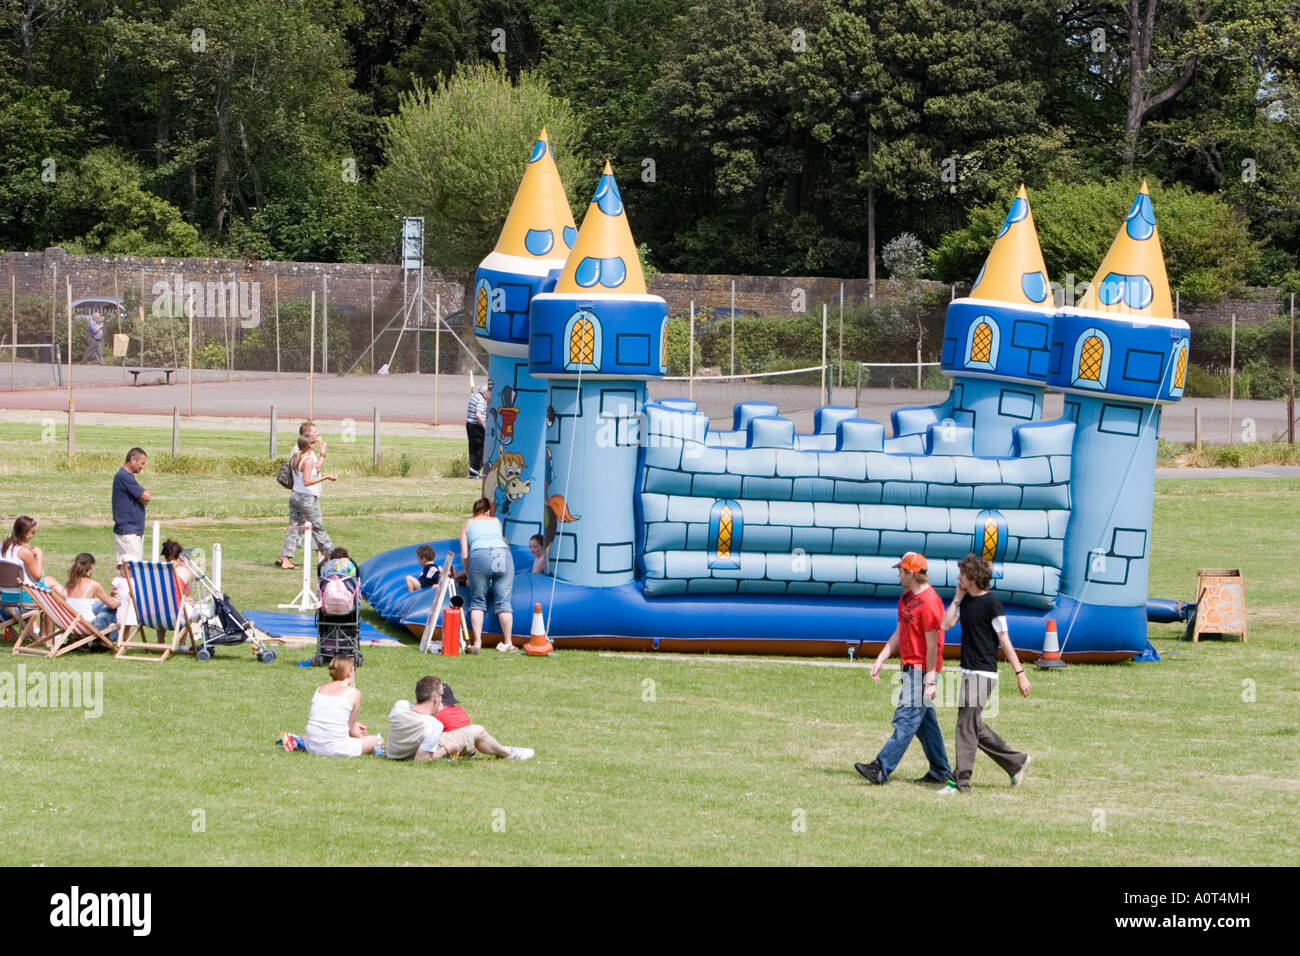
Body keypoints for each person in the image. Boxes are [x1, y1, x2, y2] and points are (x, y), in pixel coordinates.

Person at [855, 552, 953, 786]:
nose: (898, 574)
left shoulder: (930, 603)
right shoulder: (906, 599)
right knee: (924, 725)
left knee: (907, 720)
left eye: (900, 570)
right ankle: (940, 771)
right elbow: (899, 634)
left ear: (910, 573)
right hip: (909, 668)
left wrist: (930, 679)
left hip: (922, 670)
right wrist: (881, 659)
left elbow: (933, 645)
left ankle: (881, 767)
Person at [938, 554, 1032, 793]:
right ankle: (1016, 762)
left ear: (972, 577)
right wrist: (958, 599)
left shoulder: (992, 604)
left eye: (961, 574)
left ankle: (960, 782)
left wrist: (1020, 673)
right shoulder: (966, 600)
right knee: (972, 725)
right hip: (968, 671)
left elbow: (1005, 640)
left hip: (983, 673)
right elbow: (945, 624)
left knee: (964, 725)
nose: (957, 577)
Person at [385, 676, 533, 761]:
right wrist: (445, 750)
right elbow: (421, 759)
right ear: (436, 698)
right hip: (418, 750)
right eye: (442, 695)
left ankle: (505, 752)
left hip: (397, 751)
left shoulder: (400, 706)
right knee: (478, 731)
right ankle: (508, 753)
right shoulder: (432, 725)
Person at [460, 497, 514, 653]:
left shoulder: (467, 525)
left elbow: (464, 554)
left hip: (480, 555)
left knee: (477, 602)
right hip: (502, 554)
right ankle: (508, 641)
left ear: (474, 512)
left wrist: (468, 574)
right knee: (504, 602)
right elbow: (502, 540)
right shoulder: (496, 521)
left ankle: (477, 642)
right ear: (489, 511)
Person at [299, 656, 383, 757]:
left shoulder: (319, 690)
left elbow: (328, 715)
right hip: (336, 748)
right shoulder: (353, 693)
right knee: (378, 740)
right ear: (350, 672)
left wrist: (354, 724)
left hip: (311, 746)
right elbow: (351, 731)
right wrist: (362, 736)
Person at [277, 429, 336, 570]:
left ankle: (286, 559)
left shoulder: (297, 457)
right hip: (306, 498)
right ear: (309, 445)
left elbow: (316, 467)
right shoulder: (308, 459)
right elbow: (307, 481)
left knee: (294, 528)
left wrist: (323, 453)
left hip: (295, 496)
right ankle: (334, 559)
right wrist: (326, 477)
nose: (314, 443)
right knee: (318, 528)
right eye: (312, 442)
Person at [1, 516, 66, 596]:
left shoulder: (2, 546)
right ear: (25, 533)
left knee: (51, 580)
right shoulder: (24, 552)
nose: (33, 535)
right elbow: (37, 577)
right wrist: (39, 556)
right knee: (53, 584)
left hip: (4, 595)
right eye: (33, 532)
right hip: (24, 595)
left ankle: (74, 603)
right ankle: (73, 604)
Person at [64, 553, 120, 636]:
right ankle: (108, 639)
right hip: (88, 626)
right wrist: (121, 601)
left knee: (102, 603)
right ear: (92, 566)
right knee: (110, 610)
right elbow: (112, 605)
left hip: (71, 624)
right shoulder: (93, 585)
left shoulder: (70, 583)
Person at [112, 448, 150, 563]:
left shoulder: (125, 476)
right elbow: (146, 496)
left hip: (130, 532)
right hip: (128, 533)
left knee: (127, 571)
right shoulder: (124, 476)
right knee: (133, 571)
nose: (143, 467)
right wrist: (143, 500)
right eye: (142, 463)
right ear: (133, 459)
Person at [466, 379, 491, 478]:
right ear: (485, 392)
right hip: (477, 426)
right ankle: (476, 470)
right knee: (482, 448)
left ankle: (473, 471)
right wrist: (485, 426)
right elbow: (478, 415)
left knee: (473, 448)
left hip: (470, 425)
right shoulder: (481, 400)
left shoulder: (474, 397)